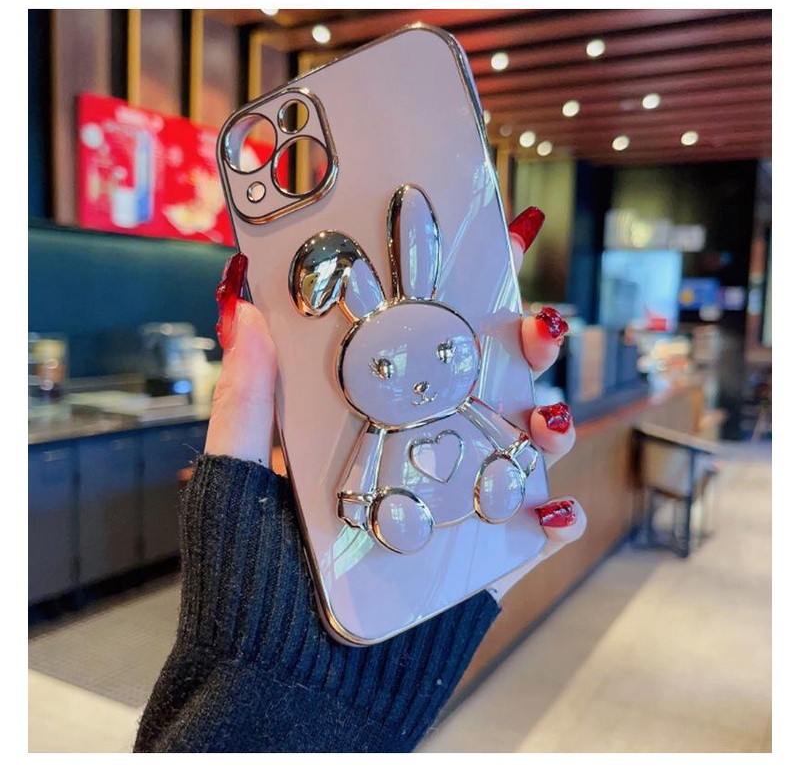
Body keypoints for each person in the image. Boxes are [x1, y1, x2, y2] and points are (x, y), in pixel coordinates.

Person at [133, 209, 586, 752]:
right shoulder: (377, 429)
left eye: (444, 352)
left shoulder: (463, 403)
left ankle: (490, 482)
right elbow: (359, 480)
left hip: (463, 476)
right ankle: (430, 506)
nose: (419, 382)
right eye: (386, 368)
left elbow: (496, 428)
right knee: (409, 506)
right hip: (404, 503)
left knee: (493, 469)